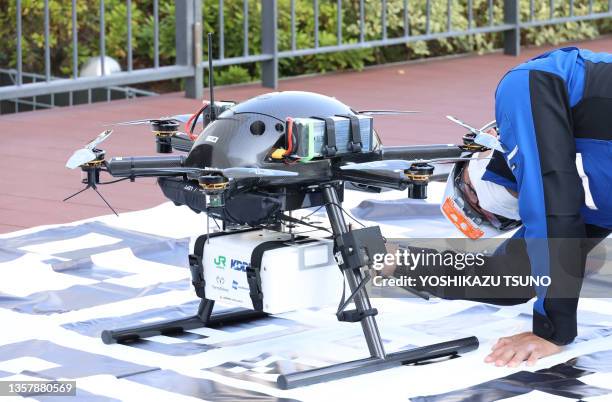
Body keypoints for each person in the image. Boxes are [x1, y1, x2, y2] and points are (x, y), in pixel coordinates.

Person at [390, 47, 612, 368]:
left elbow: (551, 206)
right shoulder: (594, 203)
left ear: (491, 138)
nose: (488, 207)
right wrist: (394, 261)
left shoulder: (529, 82)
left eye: (472, 196)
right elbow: (508, 277)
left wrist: (552, 330)